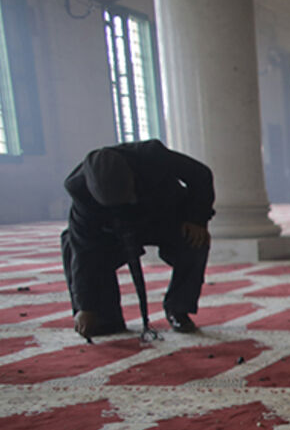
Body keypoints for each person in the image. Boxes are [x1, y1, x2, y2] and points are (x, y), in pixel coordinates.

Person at [61, 139, 215, 338]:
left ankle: (178, 309)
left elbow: (201, 175)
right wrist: (85, 305)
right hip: (112, 230)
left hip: (161, 216)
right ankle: (104, 317)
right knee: (71, 243)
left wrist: (197, 219)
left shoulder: (151, 156)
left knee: (195, 240)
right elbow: (84, 252)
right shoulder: (79, 190)